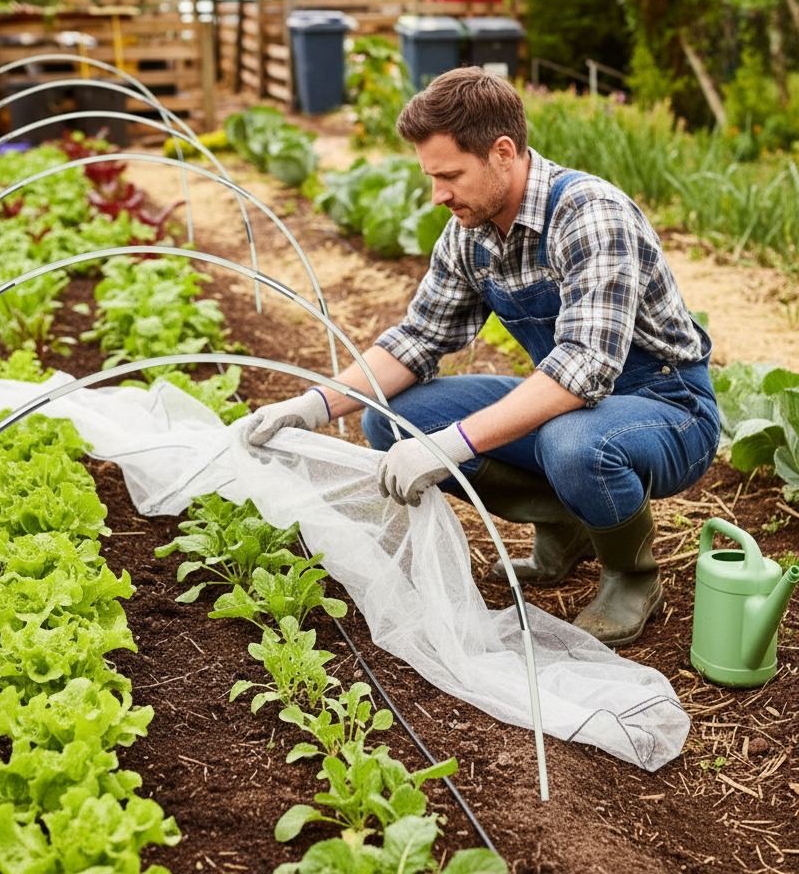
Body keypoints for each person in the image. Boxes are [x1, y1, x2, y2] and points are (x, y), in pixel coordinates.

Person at [244, 67, 720, 648]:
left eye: (450, 175)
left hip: (665, 406)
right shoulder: (469, 233)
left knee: (573, 443)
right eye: (431, 178)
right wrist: (312, 405)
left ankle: (632, 574)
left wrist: (453, 444)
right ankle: (567, 522)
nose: (439, 194)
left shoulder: (589, 214)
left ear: (502, 152)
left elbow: (585, 368)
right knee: (389, 419)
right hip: (571, 403)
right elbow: (417, 339)